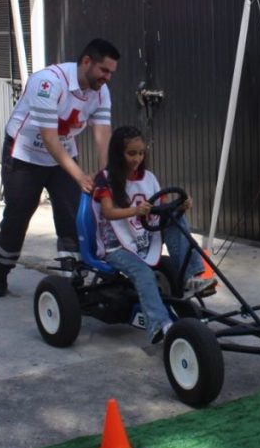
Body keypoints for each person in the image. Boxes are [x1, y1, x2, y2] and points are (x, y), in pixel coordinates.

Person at [0, 38, 118, 297]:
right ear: (86, 62)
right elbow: (49, 138)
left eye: (111, 73)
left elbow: (103, 133)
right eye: (104, 70)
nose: (108, 78)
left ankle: (72, 277)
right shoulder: (48, 82)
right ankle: (0, 270)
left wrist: (105, 173)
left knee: (73, 214)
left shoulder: (100, 91)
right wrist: (81, 176)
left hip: (63, 154)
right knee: (19, 215)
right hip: (25, 155)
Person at [91, 126, 217, 344]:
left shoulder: (148, 178)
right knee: (144, 274)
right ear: (118, 153)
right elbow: (109, 212)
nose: (137, 159)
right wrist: (134, 211)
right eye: (131, 153)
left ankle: (192, 276)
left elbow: (161, 209)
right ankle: (160, 324)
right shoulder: (106, 179)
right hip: (116, 247)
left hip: (142, 238)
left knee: (175, 220)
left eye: (140, 153)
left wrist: (182, 206)